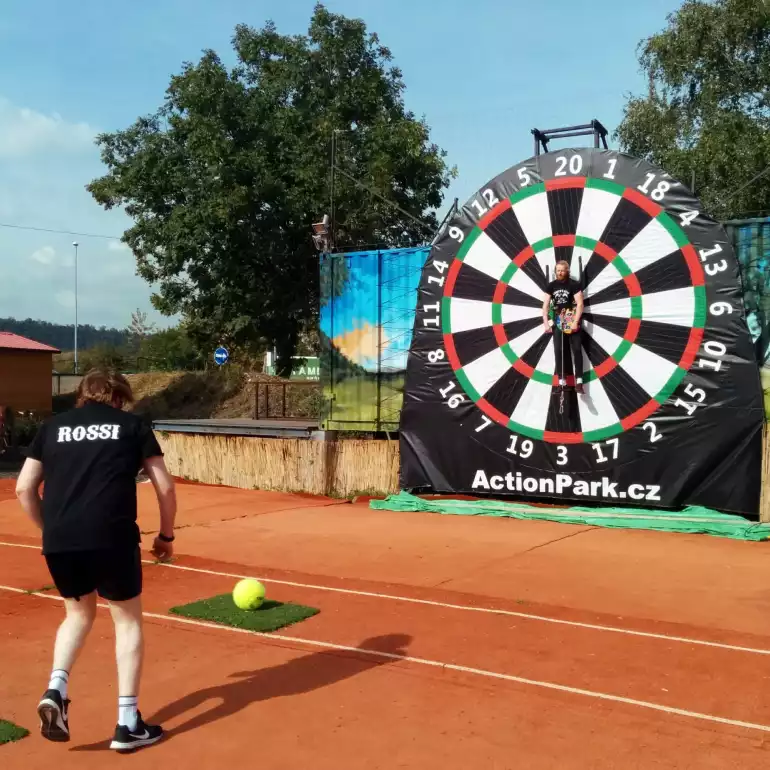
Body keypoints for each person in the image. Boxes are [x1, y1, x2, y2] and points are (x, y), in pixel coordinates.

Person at [14, 369, 177, 751]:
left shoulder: (52, 427)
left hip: (60, 540)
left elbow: (24, 488)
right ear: (119, 396)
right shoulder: (132, 426)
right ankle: (127, 723)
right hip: (111, 536)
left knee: (77, 614)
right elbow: (165, 487)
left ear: (82, 396)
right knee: (127, 620)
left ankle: (56, 687)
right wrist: (166, 535)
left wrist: (50, 529)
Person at [542, 260, 585, 394]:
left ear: (567, 271)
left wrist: (575, 321)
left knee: (577, 350)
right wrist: (545, 322)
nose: (560, 272)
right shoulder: (551, 286)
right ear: (555, 271)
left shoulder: (574, 284)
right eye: (558, 270)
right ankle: (561, 382)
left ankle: (579, 382)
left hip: (572, 320)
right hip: (558, 322)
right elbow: (545, 305)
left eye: (562, 270)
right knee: (558, 350)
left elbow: (580, 304)